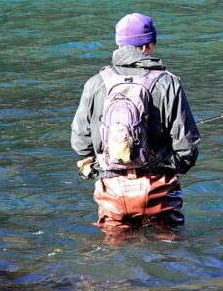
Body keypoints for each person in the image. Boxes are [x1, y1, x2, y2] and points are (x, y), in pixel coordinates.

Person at [71, 13, 200, 236]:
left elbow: (80, 142)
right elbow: (186, 145)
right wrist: (172, 167)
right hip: (158, 184)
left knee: (114, 251)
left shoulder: (96, 82)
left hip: (111, 186)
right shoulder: (168, 82)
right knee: (168, 249)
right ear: (149, 45)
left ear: (119, 43)